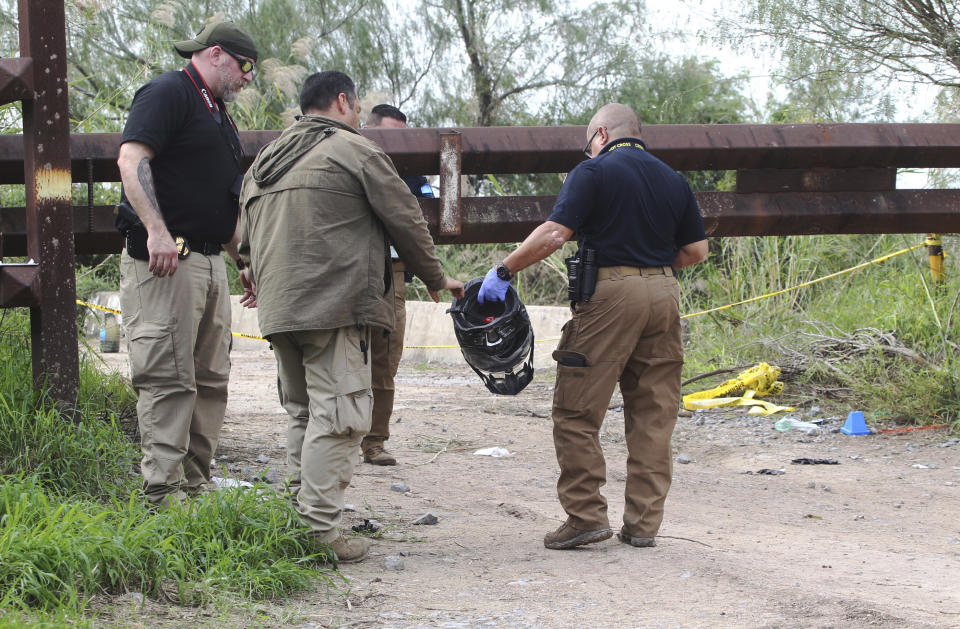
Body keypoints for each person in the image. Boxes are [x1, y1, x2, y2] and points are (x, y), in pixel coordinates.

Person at [238, 71, 464, 563]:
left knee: (304, 413)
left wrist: (249, 272)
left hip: (279, 308)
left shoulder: (263, 162)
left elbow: (245, 240)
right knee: (341, 418)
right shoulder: (353, 150)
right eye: (358, 108)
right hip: (334, 303)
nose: (359, 116)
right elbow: (404, 216)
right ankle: (319, 534)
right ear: (343, 102)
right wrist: (434, 277)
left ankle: (297, 522)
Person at [477, 103, 708, 550]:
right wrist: (652, 268)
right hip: (664, 293)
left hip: (611, 295)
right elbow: (696, 250)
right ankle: (642, 525)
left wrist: (503, 271)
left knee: (577, 410)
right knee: (653, 415)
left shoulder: (593, 171)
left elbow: (555, 234)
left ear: (600, 134)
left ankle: (585, 517)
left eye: (589, 144)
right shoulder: (673, 178)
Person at [116, 20, 258, 509]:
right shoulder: (168, 91)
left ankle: (195, 486)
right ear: (216, 54)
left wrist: (244, 260)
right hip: (166, 258)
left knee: (210, 376)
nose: (248, 79)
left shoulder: (216, 112)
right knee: (168, 375)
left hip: (209, 259)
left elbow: (223, 197)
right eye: (245, 67)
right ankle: (161, 493)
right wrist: (156, 230)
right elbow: (132, 158)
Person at [361, 104, 435, 466]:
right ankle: (334, 440)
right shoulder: (351, 159)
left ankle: (374, 441)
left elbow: (425, 218)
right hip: (347, 270)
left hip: (393, 275)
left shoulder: (412, 172)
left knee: (385, 362)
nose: (395, 144)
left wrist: (431, 271)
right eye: (388, 134)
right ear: (367, 129)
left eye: (401, 135)